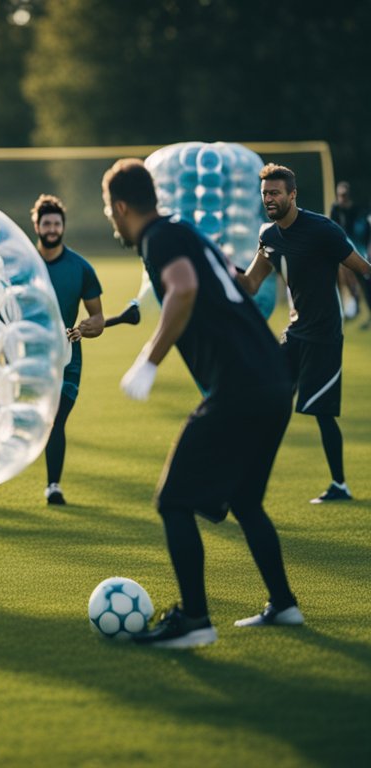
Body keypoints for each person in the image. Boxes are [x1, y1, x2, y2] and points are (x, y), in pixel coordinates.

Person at [104, 159, 302, 648]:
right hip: (274, 381)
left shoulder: (158, 238)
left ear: (122, 206)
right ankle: (284, 604)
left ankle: (194, 620)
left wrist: (149, 360)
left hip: (240, 387)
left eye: (111, 211)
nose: (112, 221)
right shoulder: (182, 230)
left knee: (173, 500)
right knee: (246, 500)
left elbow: (185, 289)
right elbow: (230, 282)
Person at [234, 165, 371, 503]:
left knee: (322, 414)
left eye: (275, 193)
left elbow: (364, 269)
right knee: (268, 400)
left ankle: (340, 484)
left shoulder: (323, 230)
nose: (269, 198)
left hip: (325, 337)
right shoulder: (268, 236)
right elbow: (251, 283)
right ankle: (242, 482)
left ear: (292, 195)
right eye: (265, 193)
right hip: (295, 333)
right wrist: (220, 267)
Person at [30, 194, 104, 505]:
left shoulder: (80, 267)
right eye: (46, 223)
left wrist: (89, 327)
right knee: (34, 419)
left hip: (67, 357)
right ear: (37, 225)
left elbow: (98, 318)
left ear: (63, 227)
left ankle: (53, 487)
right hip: (28, 356)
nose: (51, 228)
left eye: (56, 223)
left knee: (56, 419)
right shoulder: (22, 265)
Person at [329, 181, 371, 328]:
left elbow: (363, 233)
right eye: (340, 195)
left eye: (344, 195)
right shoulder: (335, 209)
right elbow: (332, 229)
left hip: (359, 252)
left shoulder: (358, 211)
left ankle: (362, 311)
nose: (342, 198)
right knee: (342, 282)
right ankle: (349, 310)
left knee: (365, 283)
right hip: (343, 251)